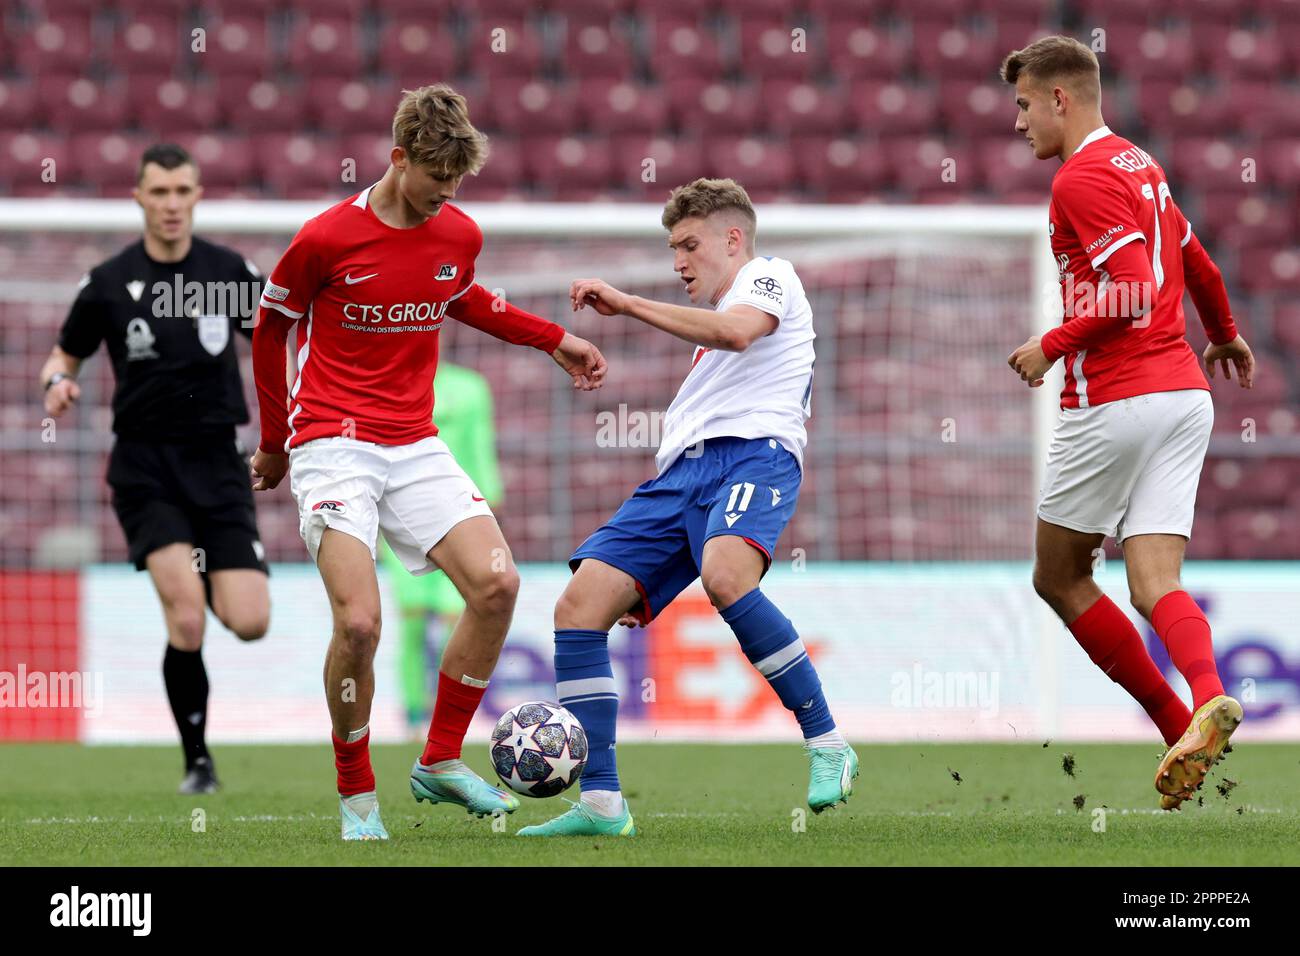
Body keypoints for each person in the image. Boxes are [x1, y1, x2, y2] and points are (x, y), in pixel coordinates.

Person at [248, 84, 607, 840]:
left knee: (497, 585)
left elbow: (466, 297)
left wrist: (554, 339)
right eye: (434, 176)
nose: (445, 193)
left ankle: (440, 759)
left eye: (457, 181)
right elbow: (269, 330)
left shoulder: (457, 234)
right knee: (360, 624)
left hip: (413, 440)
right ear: (397, 157)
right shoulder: (324, 239)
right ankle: (356, 798)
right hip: (332, 442)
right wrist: (277, 443)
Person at [518, 178, 857, 838]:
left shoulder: (770, 277)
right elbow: (721, 339)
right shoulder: (715, 332)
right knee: (579, 607)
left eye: (688, 245)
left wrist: (626, 302)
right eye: (672, 247)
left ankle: (826, 742)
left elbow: (736, 333)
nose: (678, 261)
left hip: (754, 456)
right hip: (681, 476)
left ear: (733, 239)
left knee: (728, 578)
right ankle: (602, 803)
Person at [1001, 36, 1256, 810]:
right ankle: (1204, 702)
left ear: (1059, 99)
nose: (1017, 125)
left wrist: (1052, 342)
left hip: (1115, 400)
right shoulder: (1140, 165)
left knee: (1059, 574)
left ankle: (1172, 715)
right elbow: (1197, 259)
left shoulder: (1079, 178)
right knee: (1154, 583)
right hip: (1184, 399)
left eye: (1021, 106)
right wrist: (1222, 329)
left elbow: (1135, 287)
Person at [40, 143, 270, 794]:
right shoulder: (109, 282)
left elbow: (280, 344)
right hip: (145, 466)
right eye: (159, 192)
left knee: (250, 621)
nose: (171, 204)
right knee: (187, 618)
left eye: (182, 191)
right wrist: (57, 384)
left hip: (219, 463)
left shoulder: (229, 272)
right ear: (138, 198)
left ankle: (221, 587)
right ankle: (198, 762)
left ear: (198, 196)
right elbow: (62, 357)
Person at [381, 361, 503, 735]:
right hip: (402, 515)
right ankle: (413, 716)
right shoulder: (389, 379)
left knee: (458, 621)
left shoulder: (471, 386)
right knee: (414, 624)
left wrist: (489, 500)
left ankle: (447, 718)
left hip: (458, 513)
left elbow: (481, 446)